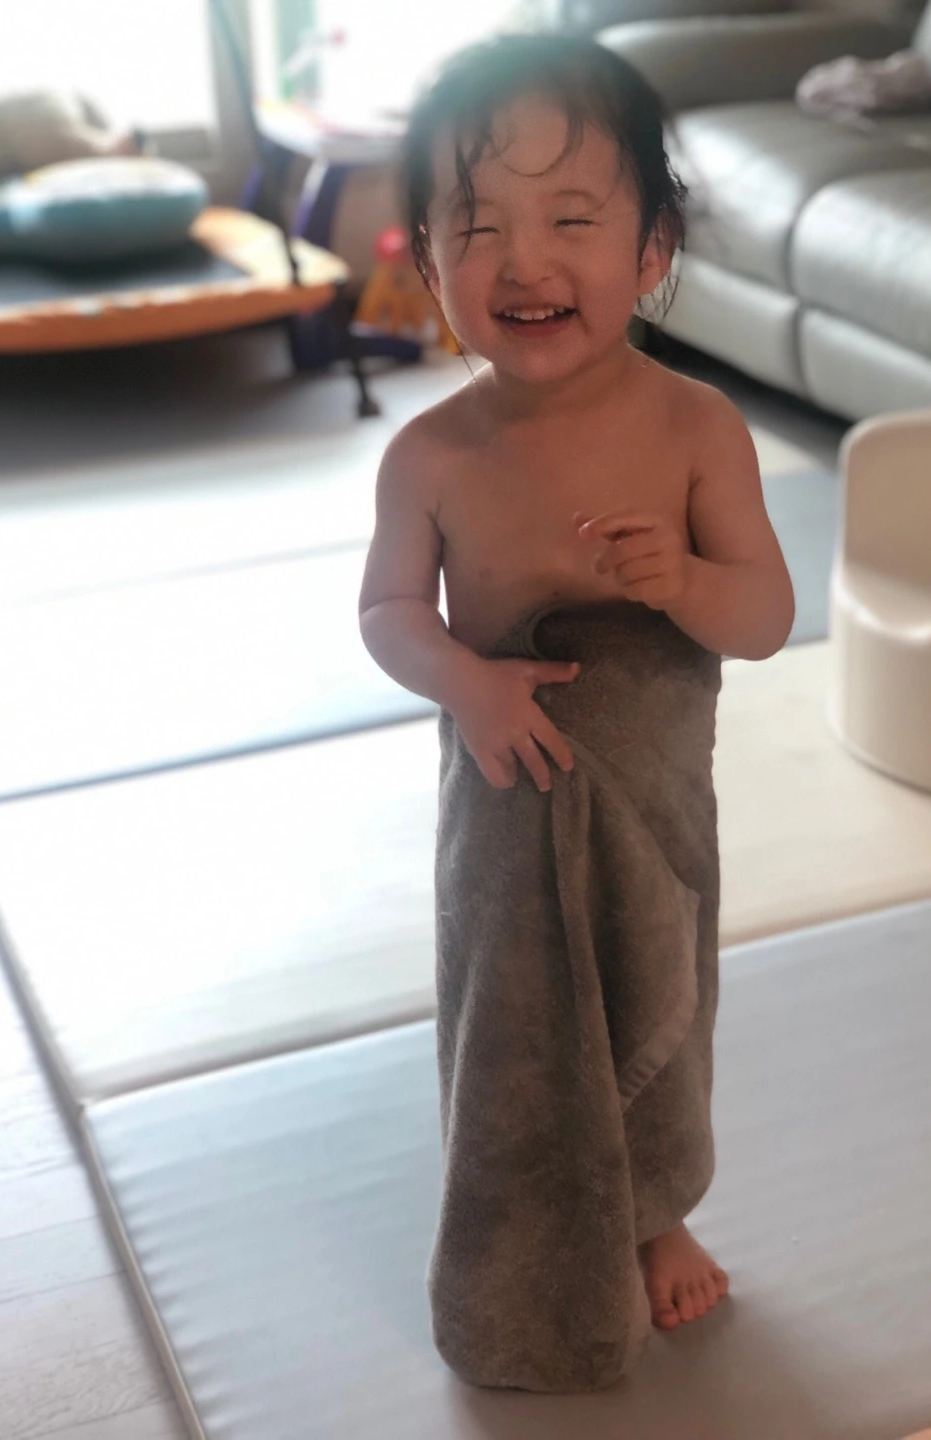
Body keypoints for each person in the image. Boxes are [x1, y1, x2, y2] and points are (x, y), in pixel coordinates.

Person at [359, 30, 793, 1375]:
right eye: (476, 224)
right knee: (514, 1031)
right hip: (504, 813)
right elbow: (389, 615)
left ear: (651, 248)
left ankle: (656, 1214)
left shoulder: (697, 430)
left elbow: (766, 619)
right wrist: (466, 682)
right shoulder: (430, 456)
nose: (522, 260)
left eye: (569, 218)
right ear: (430, 262)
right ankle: (519, 1231)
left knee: (657, 1007)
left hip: (652, 816)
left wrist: (685, 583)